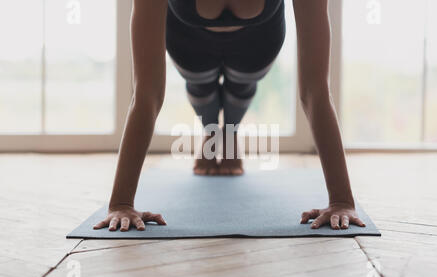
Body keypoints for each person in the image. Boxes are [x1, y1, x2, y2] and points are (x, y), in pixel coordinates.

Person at [93, 0, 366, 232]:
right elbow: (147, 94)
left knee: (240, 85)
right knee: (201, 86)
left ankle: (229, 130)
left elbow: (315, 91)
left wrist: (341, 200)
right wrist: (121, 204)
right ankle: (213, 130)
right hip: (189, 40)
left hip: (258, 40)